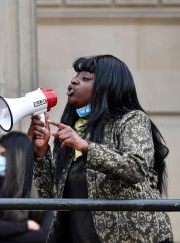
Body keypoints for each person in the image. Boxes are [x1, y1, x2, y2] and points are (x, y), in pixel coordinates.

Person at [27, 54, 173, 242]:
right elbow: (51, 196)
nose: (74, 80)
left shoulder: (131, 119)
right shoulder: (73, 129)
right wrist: (41, 152)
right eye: (75, 76)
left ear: (108, 87)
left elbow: (136, 168)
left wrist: (86, 147)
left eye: (85, 78)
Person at [0, 131, 52, 243]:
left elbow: (44, 236)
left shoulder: (43, 186)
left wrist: (1, 230)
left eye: (3, 154)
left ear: (19, 155)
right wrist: (27, 225)